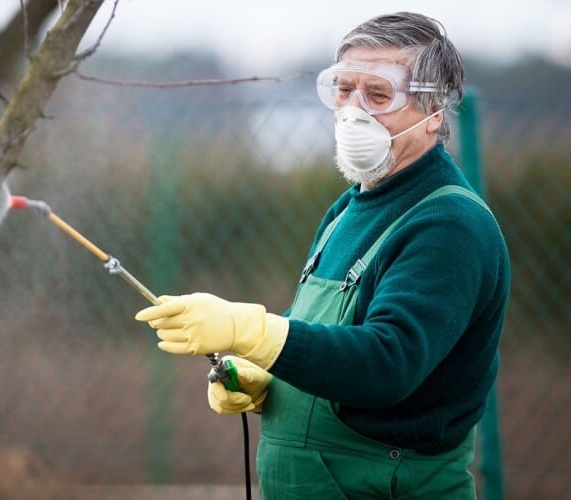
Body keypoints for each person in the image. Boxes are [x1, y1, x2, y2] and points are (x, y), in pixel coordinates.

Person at [135, 11, 510, 499]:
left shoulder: (450, 226)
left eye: (377, 95)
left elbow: (386, 363)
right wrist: (266, 374)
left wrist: (251, 331)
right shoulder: (350, 206)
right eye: (343, 90)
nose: (354, 111)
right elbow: (323, 331)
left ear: (434, 112)